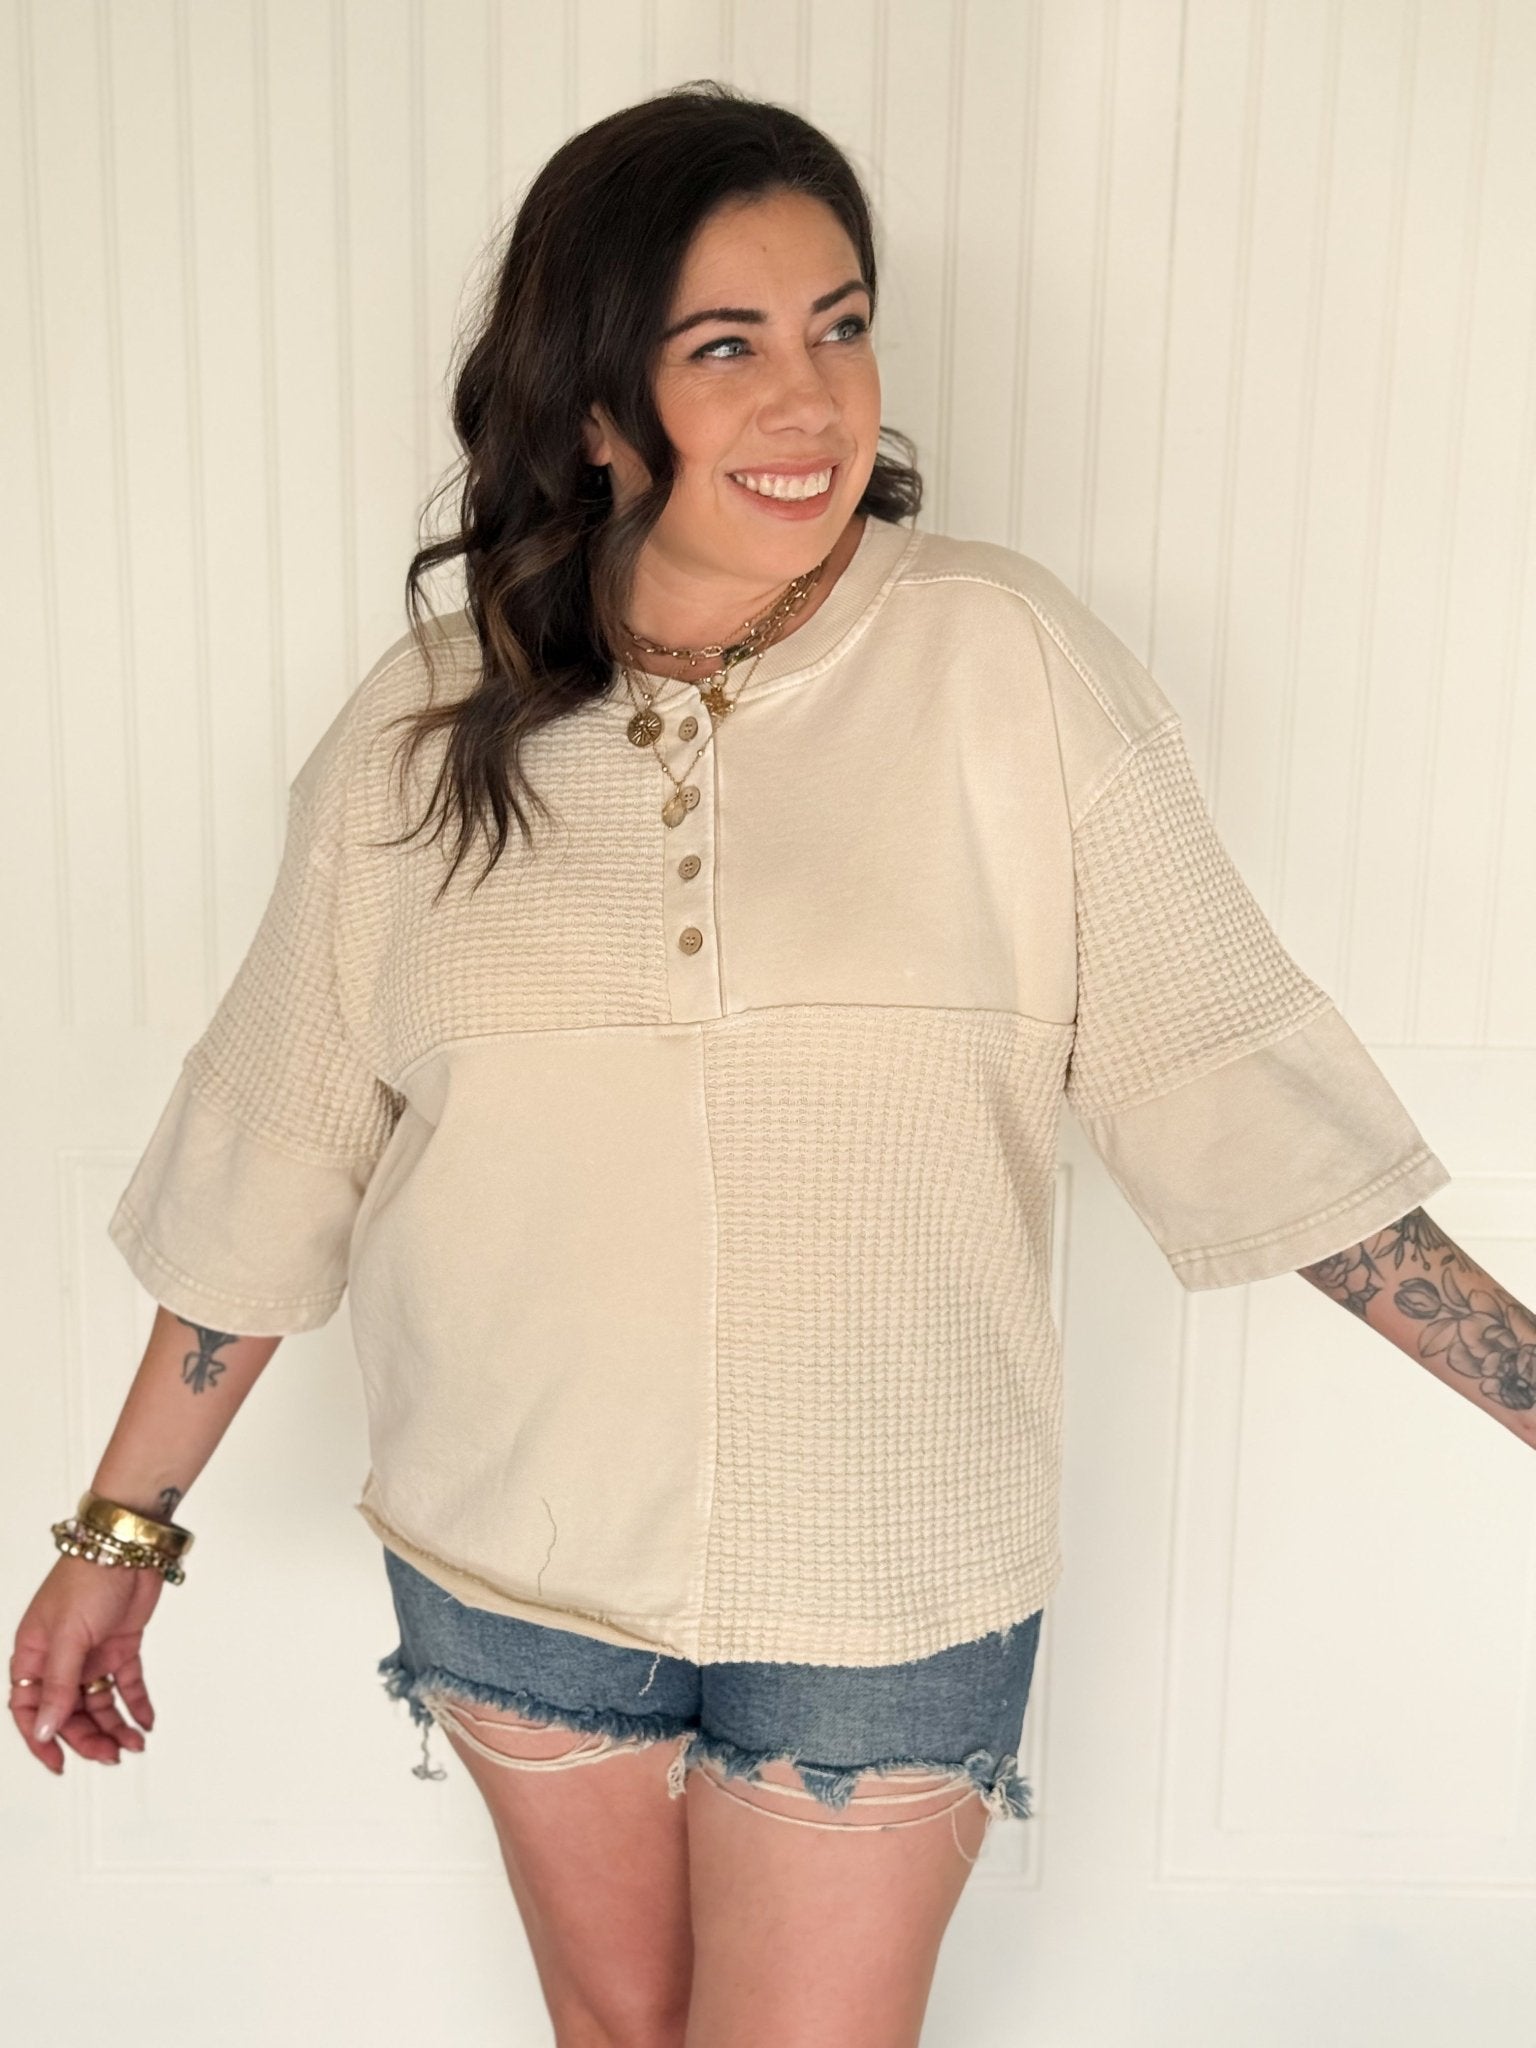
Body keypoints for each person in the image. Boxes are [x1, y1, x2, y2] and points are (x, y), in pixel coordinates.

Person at [11, 78, 1529, 2048]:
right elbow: (276, 1153)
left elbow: (1232, 1089)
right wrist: (116, 1537)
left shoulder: (1005, 662)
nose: (812, 402)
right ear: (591, 402)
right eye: (725, 346)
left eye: (841, 325)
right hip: (513, 1557)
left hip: (888, 1569)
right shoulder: (426, 729)